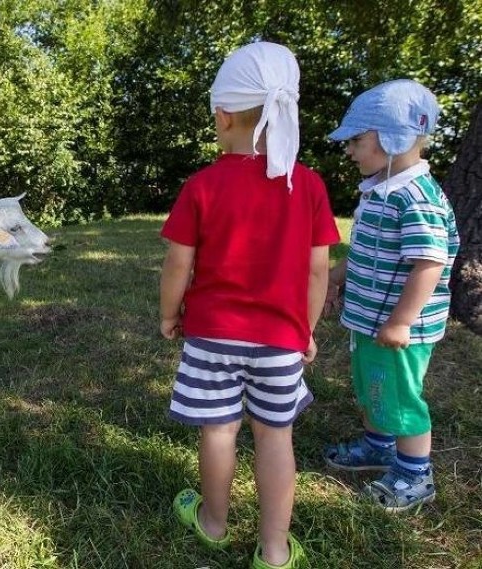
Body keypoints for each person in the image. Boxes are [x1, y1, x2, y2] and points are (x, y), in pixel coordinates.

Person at [160, 42, 340, 569]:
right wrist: (305, 331)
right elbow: (317, 270)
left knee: (218, 431)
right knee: (275, 437)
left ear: (223, 115)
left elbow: (178, 264)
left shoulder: (202, 185)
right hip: (281, 341)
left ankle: (213, 523)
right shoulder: (307, 185)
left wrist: (170, 314)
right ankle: (275, 549)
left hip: (212, 336)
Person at [323, 79, 460, 512]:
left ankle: (416, 473)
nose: (350, 151)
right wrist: (336, 276)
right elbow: (366, 251)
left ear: (392, 138)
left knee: (399, 395)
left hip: (401, 328)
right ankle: (379, 446)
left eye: (357, 140)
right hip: (370, 319)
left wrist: (402, 320)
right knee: (372, 387)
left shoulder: (415, 196)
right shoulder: (380, 190)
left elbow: (429, 262)